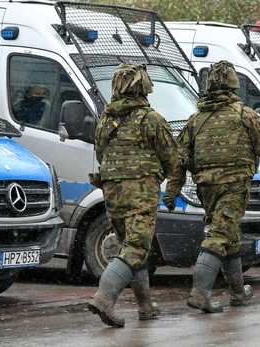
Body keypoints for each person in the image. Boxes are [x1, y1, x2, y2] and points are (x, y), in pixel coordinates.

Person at [162, 60, 260, 313]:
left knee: (230, 238)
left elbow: (180, 160)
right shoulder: (245, 115)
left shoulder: (196, 120)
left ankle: (238, 292)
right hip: (234, 187)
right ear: (234, 86)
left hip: (206, 189)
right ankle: (200, 294)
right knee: (219, 236)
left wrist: (172, 191)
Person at [88, 63, 178, 328]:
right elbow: (172, 159)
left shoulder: (107, 119)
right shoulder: (151, 119)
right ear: (143, 86)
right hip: (140, 194)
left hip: (113, 194)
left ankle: (145, 305)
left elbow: (101, 155)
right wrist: (171, 188)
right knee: (137, 247)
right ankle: (104, 298)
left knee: (132, 246)